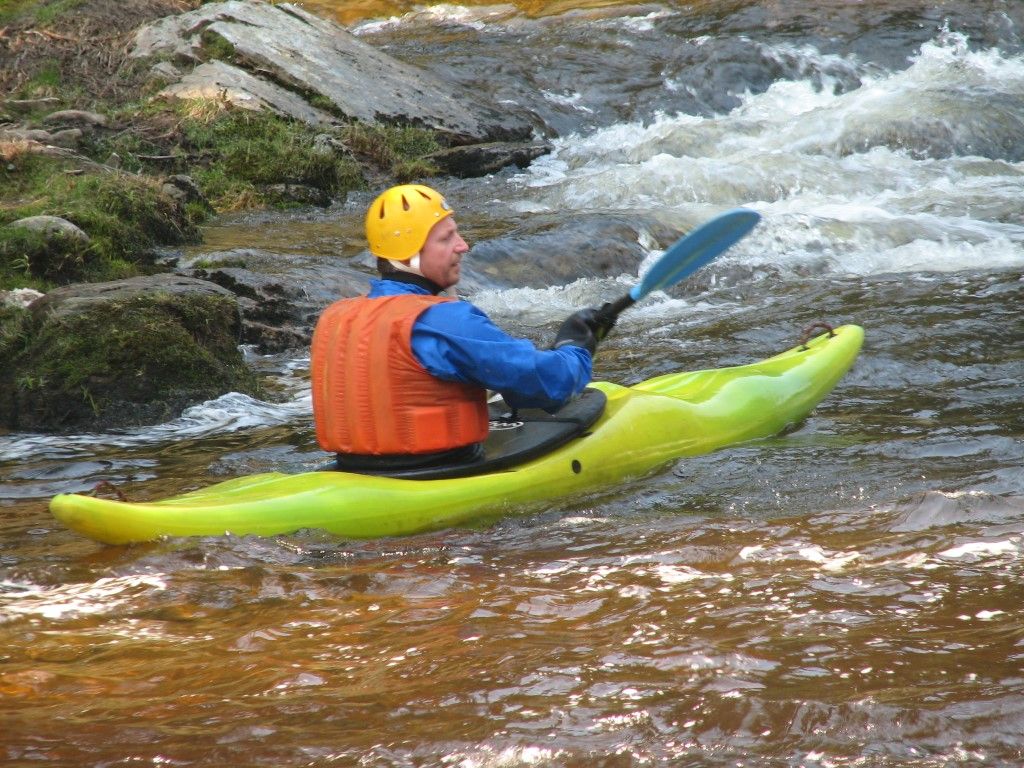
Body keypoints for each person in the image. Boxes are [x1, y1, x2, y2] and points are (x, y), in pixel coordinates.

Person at [310, 183, 613, 465]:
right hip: (439, 469)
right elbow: (544, 387)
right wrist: (575, 349)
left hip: (354, 467)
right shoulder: (445, 321)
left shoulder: (336, 316)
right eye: (446, 238)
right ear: (409, 254)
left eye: (457, 234)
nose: (463, 246)